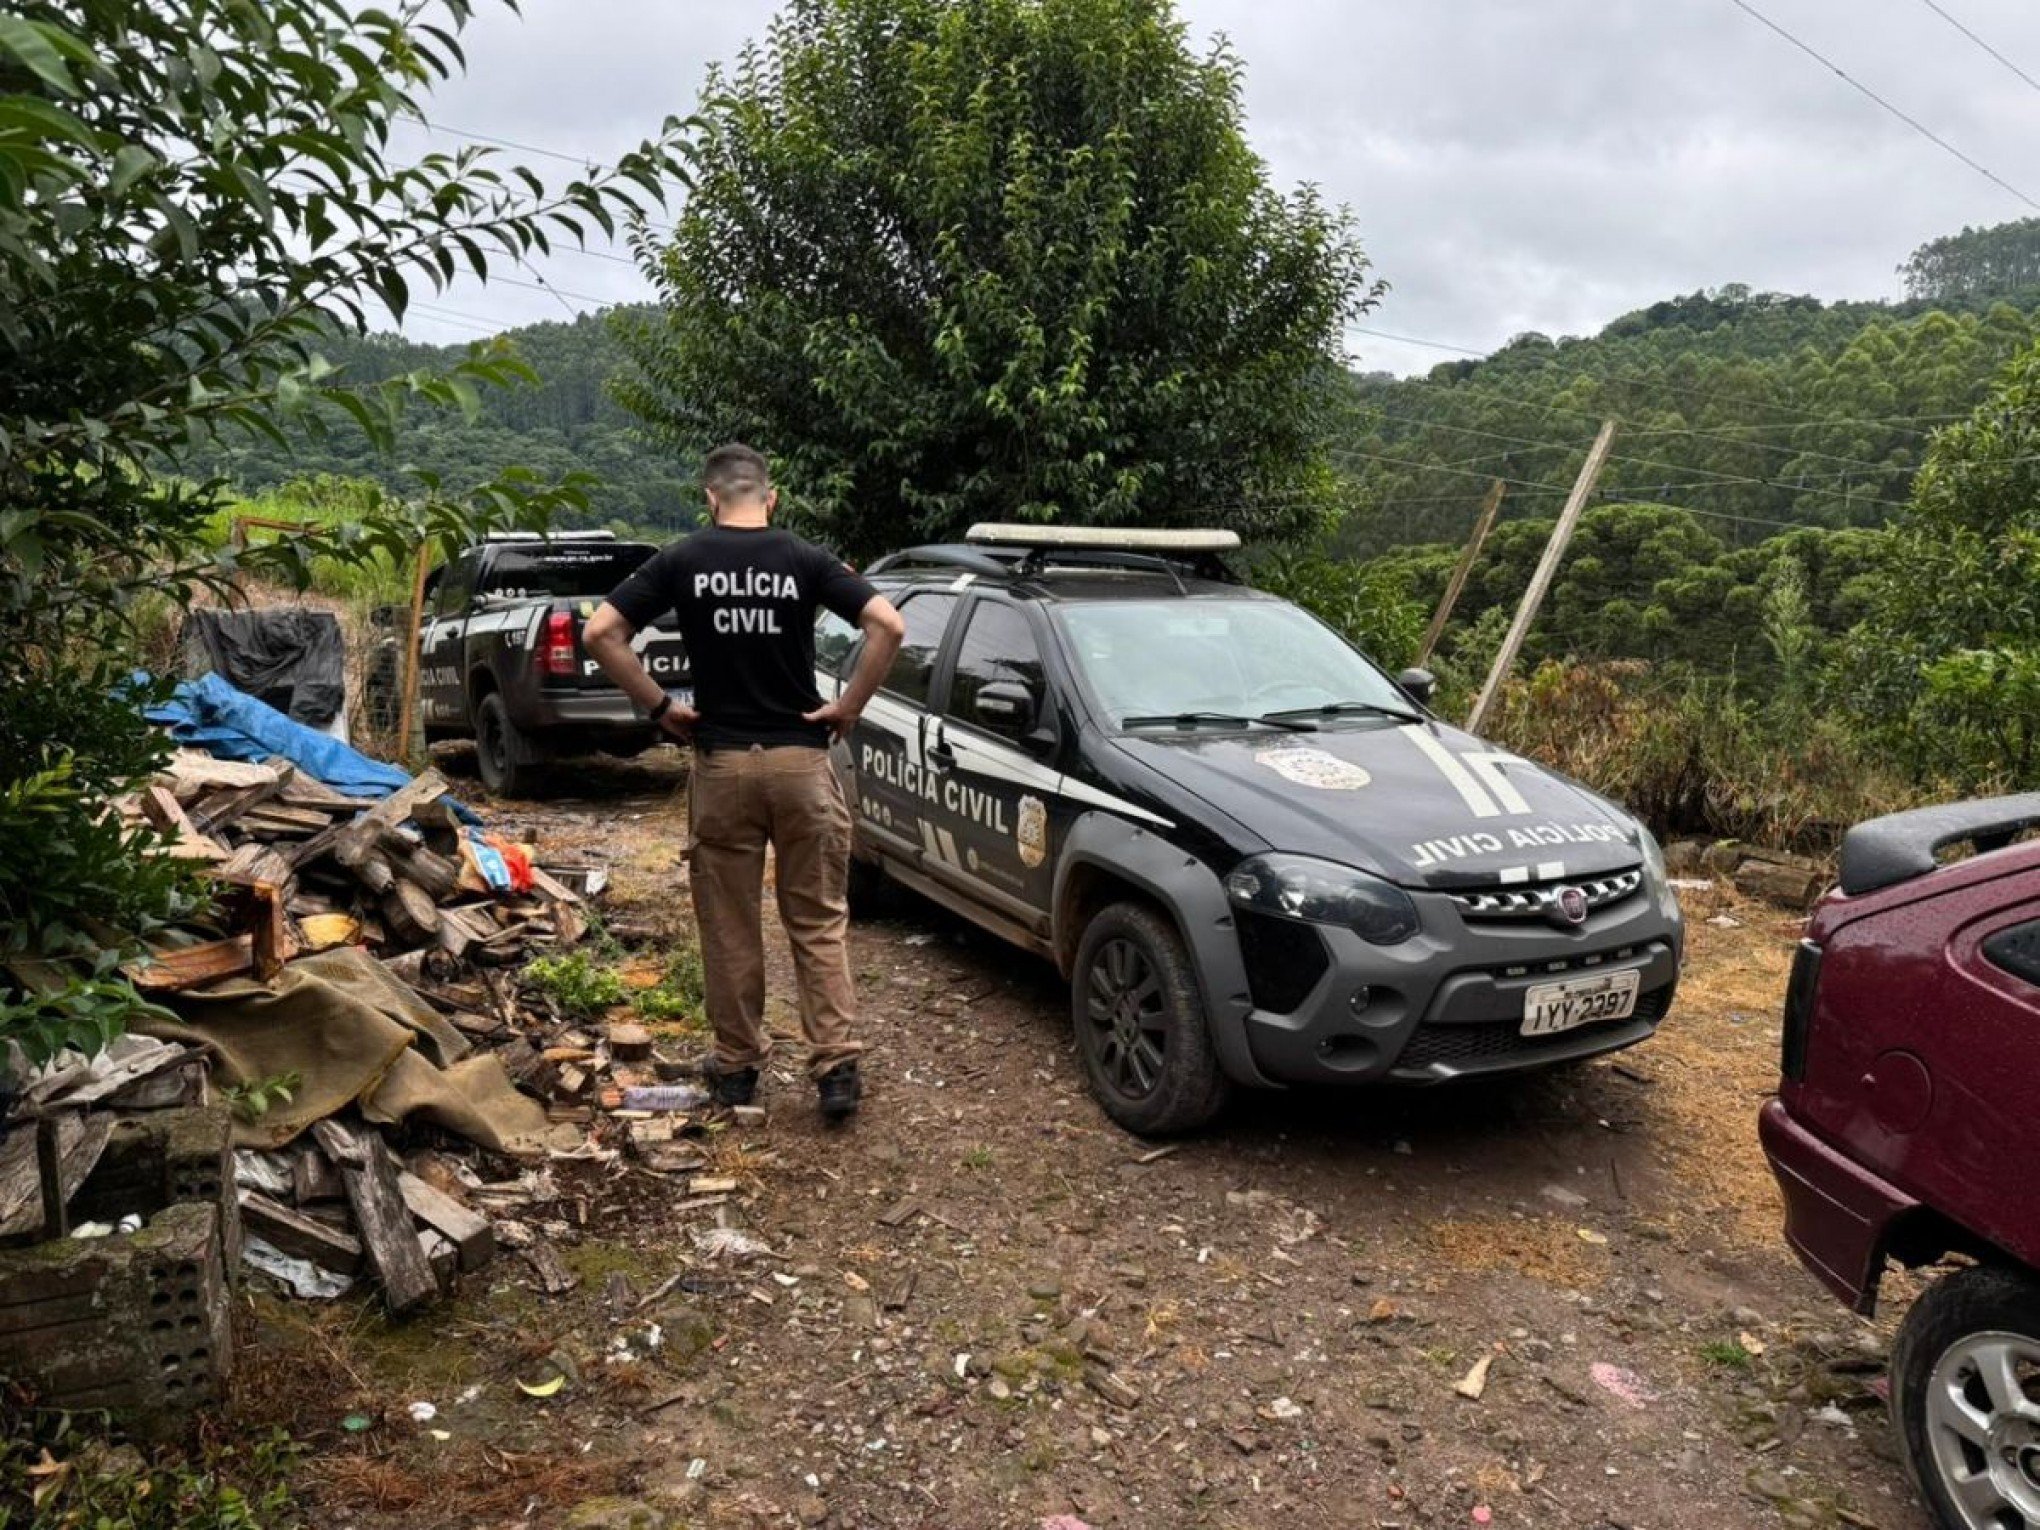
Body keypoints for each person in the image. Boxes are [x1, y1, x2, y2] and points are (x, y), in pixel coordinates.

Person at [584, 444, 905, 1122]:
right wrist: (849, 706)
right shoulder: (806, 559)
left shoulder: (682, 559)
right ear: (771, 496)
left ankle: (736, 1070)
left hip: (723, 764)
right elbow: (888, 625)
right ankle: (837, 1067)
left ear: (708, 497)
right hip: (801, 763)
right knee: (817, 919)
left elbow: (602, 632)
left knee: (729, 925)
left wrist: (660, 706)